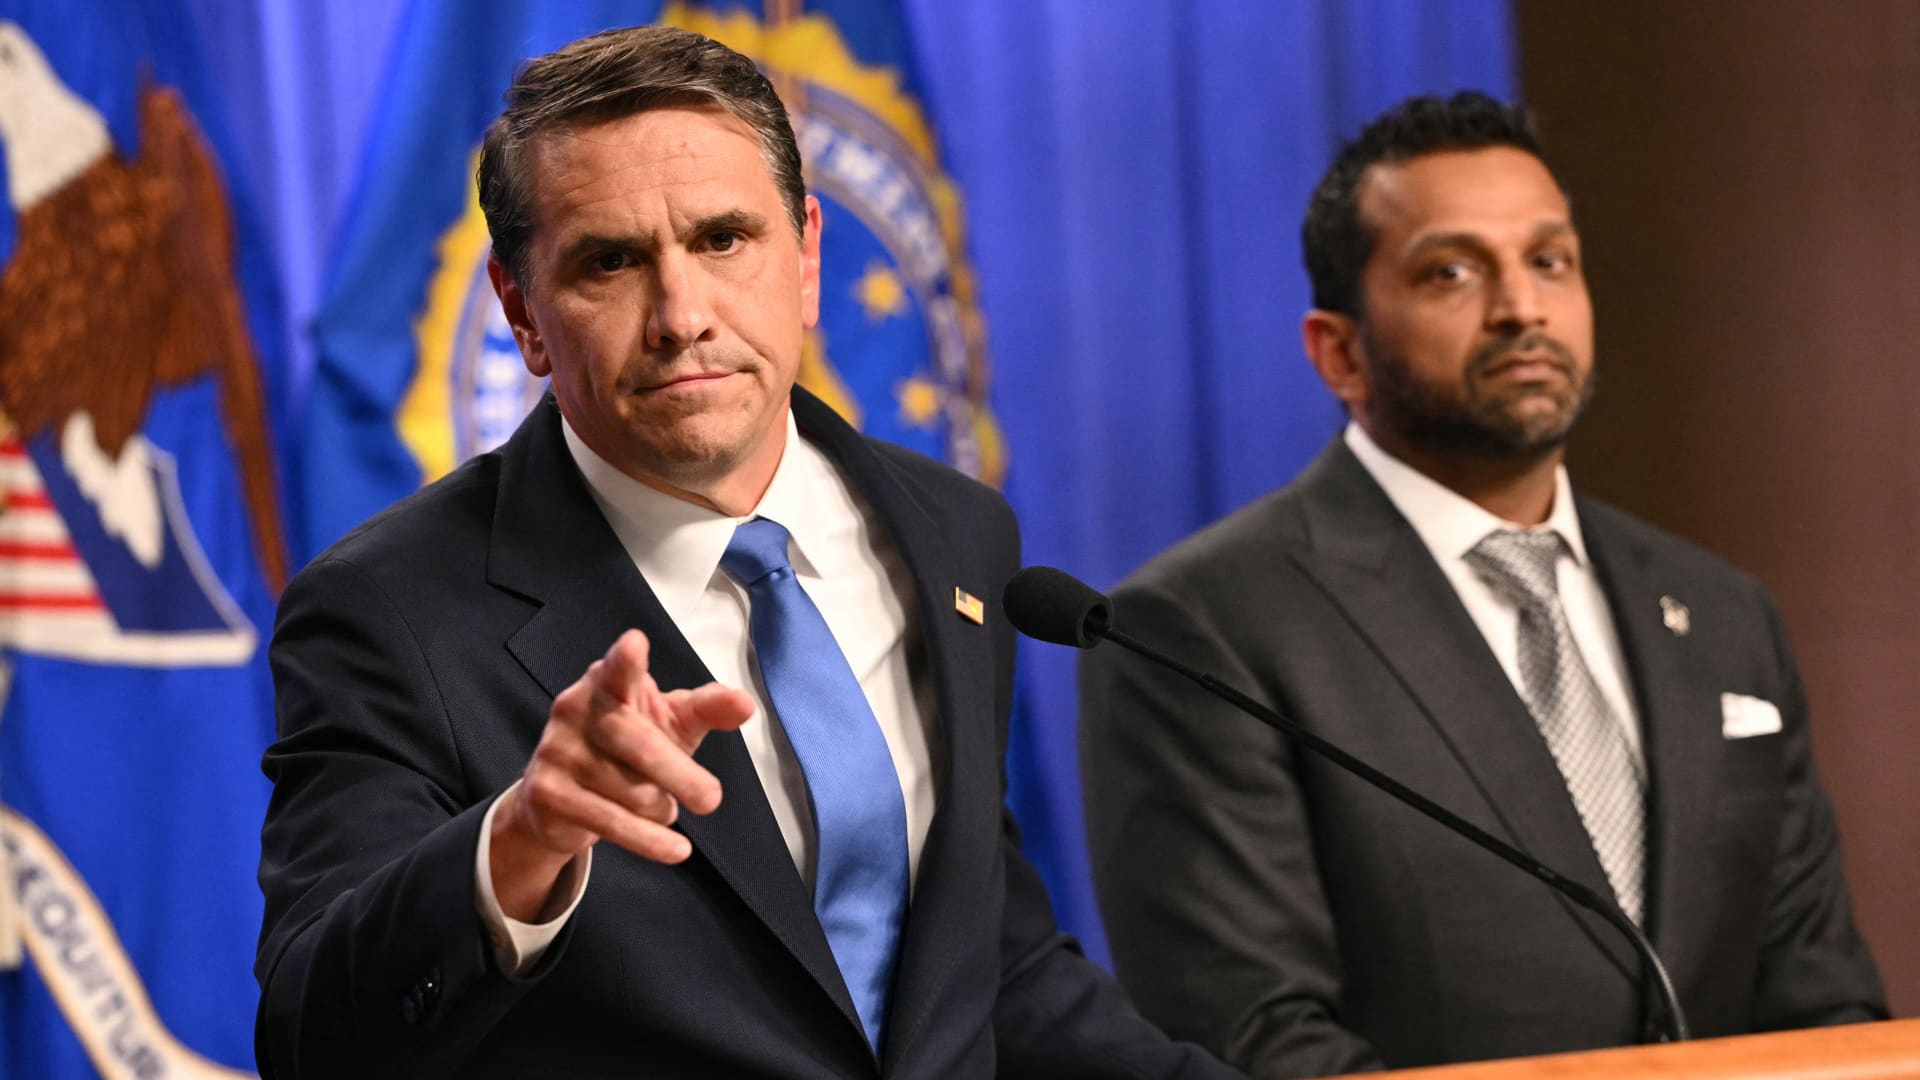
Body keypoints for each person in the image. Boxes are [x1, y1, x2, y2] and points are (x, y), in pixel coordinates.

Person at [255, 26, 1237, 1080]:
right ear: (522, 311)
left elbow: (992, 969)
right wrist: (519, 842)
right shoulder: (390, 611)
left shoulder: (954, 531)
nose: (681, 317)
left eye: (723, 239)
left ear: (806, 258)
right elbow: (313, 1039)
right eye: (609, 261)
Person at [1077, 91, 1886, 1078]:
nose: (1521, 308)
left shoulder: (1721, 613)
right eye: (1451, 272)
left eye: (1549, 261)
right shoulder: (1200, 628)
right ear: (1339, 352)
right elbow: (1252, 1034)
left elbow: (1823, 1000)